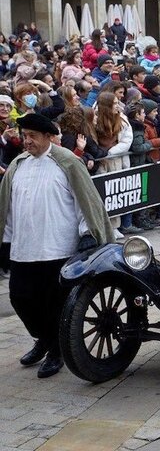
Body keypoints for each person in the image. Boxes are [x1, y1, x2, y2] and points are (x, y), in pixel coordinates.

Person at [0, 114, 113, 378]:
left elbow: (84, 201)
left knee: (54, 303)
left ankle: (56, 351)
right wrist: (4, 242)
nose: (27, 141)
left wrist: (88, 233)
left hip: (57, 248)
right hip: (23, 247)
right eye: (25, 135)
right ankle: (44, 339)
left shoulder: (68, 163)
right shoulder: (18, 165)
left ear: (49, 137)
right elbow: (7, 208)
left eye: (33, 136)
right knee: (20, 298)